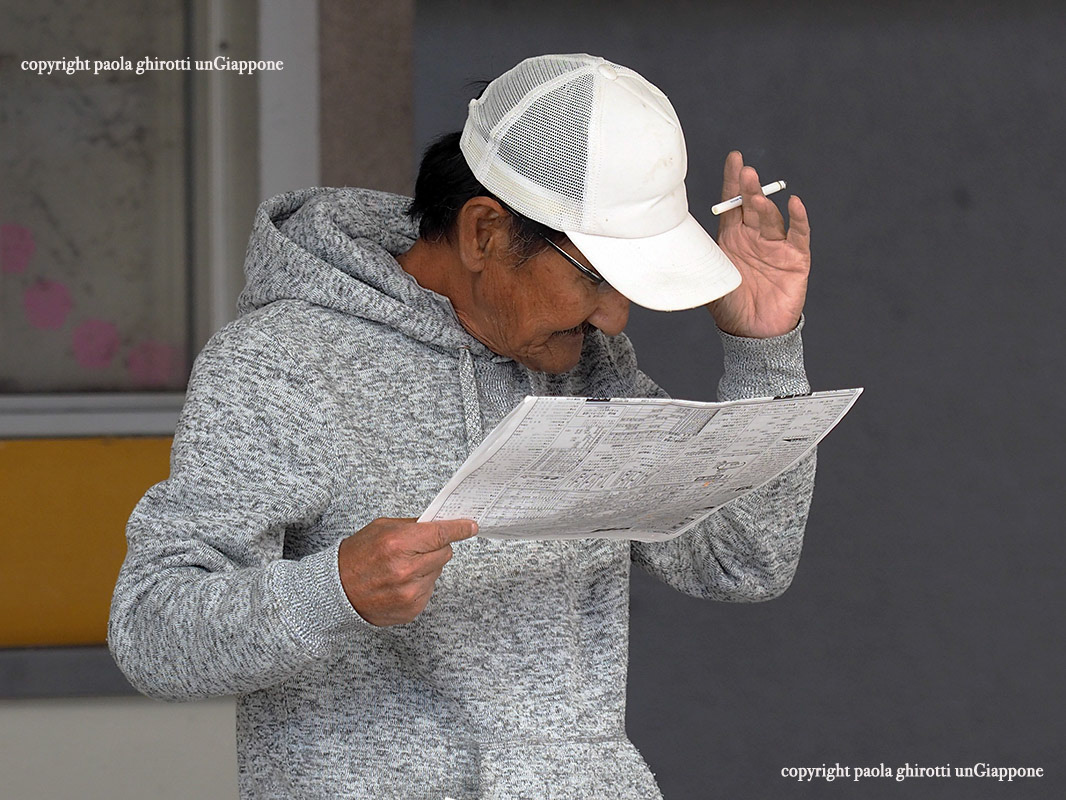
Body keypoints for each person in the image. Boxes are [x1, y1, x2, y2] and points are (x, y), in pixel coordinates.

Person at [110, 54, 814, 799]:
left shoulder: (584, 363)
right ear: (483, 232)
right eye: (599, 278)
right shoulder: (284, 365)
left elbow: (742, 561)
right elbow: (154, 632)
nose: (615, 317)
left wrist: (763, 350)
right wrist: (331, 592)